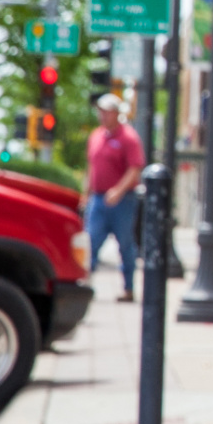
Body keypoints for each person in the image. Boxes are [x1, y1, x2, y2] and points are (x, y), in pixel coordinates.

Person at [84, 95, 145, 303]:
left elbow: (135, 169)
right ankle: (84, 286)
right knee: (90, 243)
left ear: (117, 113)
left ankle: (128, 289)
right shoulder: (96, 136)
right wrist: (86, 194)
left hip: (123, 200)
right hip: (98, 200)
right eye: (100, 111)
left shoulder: (129, 138)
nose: (102, 115)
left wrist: (118, 191)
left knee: (125, 245)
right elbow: (91, 168)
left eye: (107, 111)